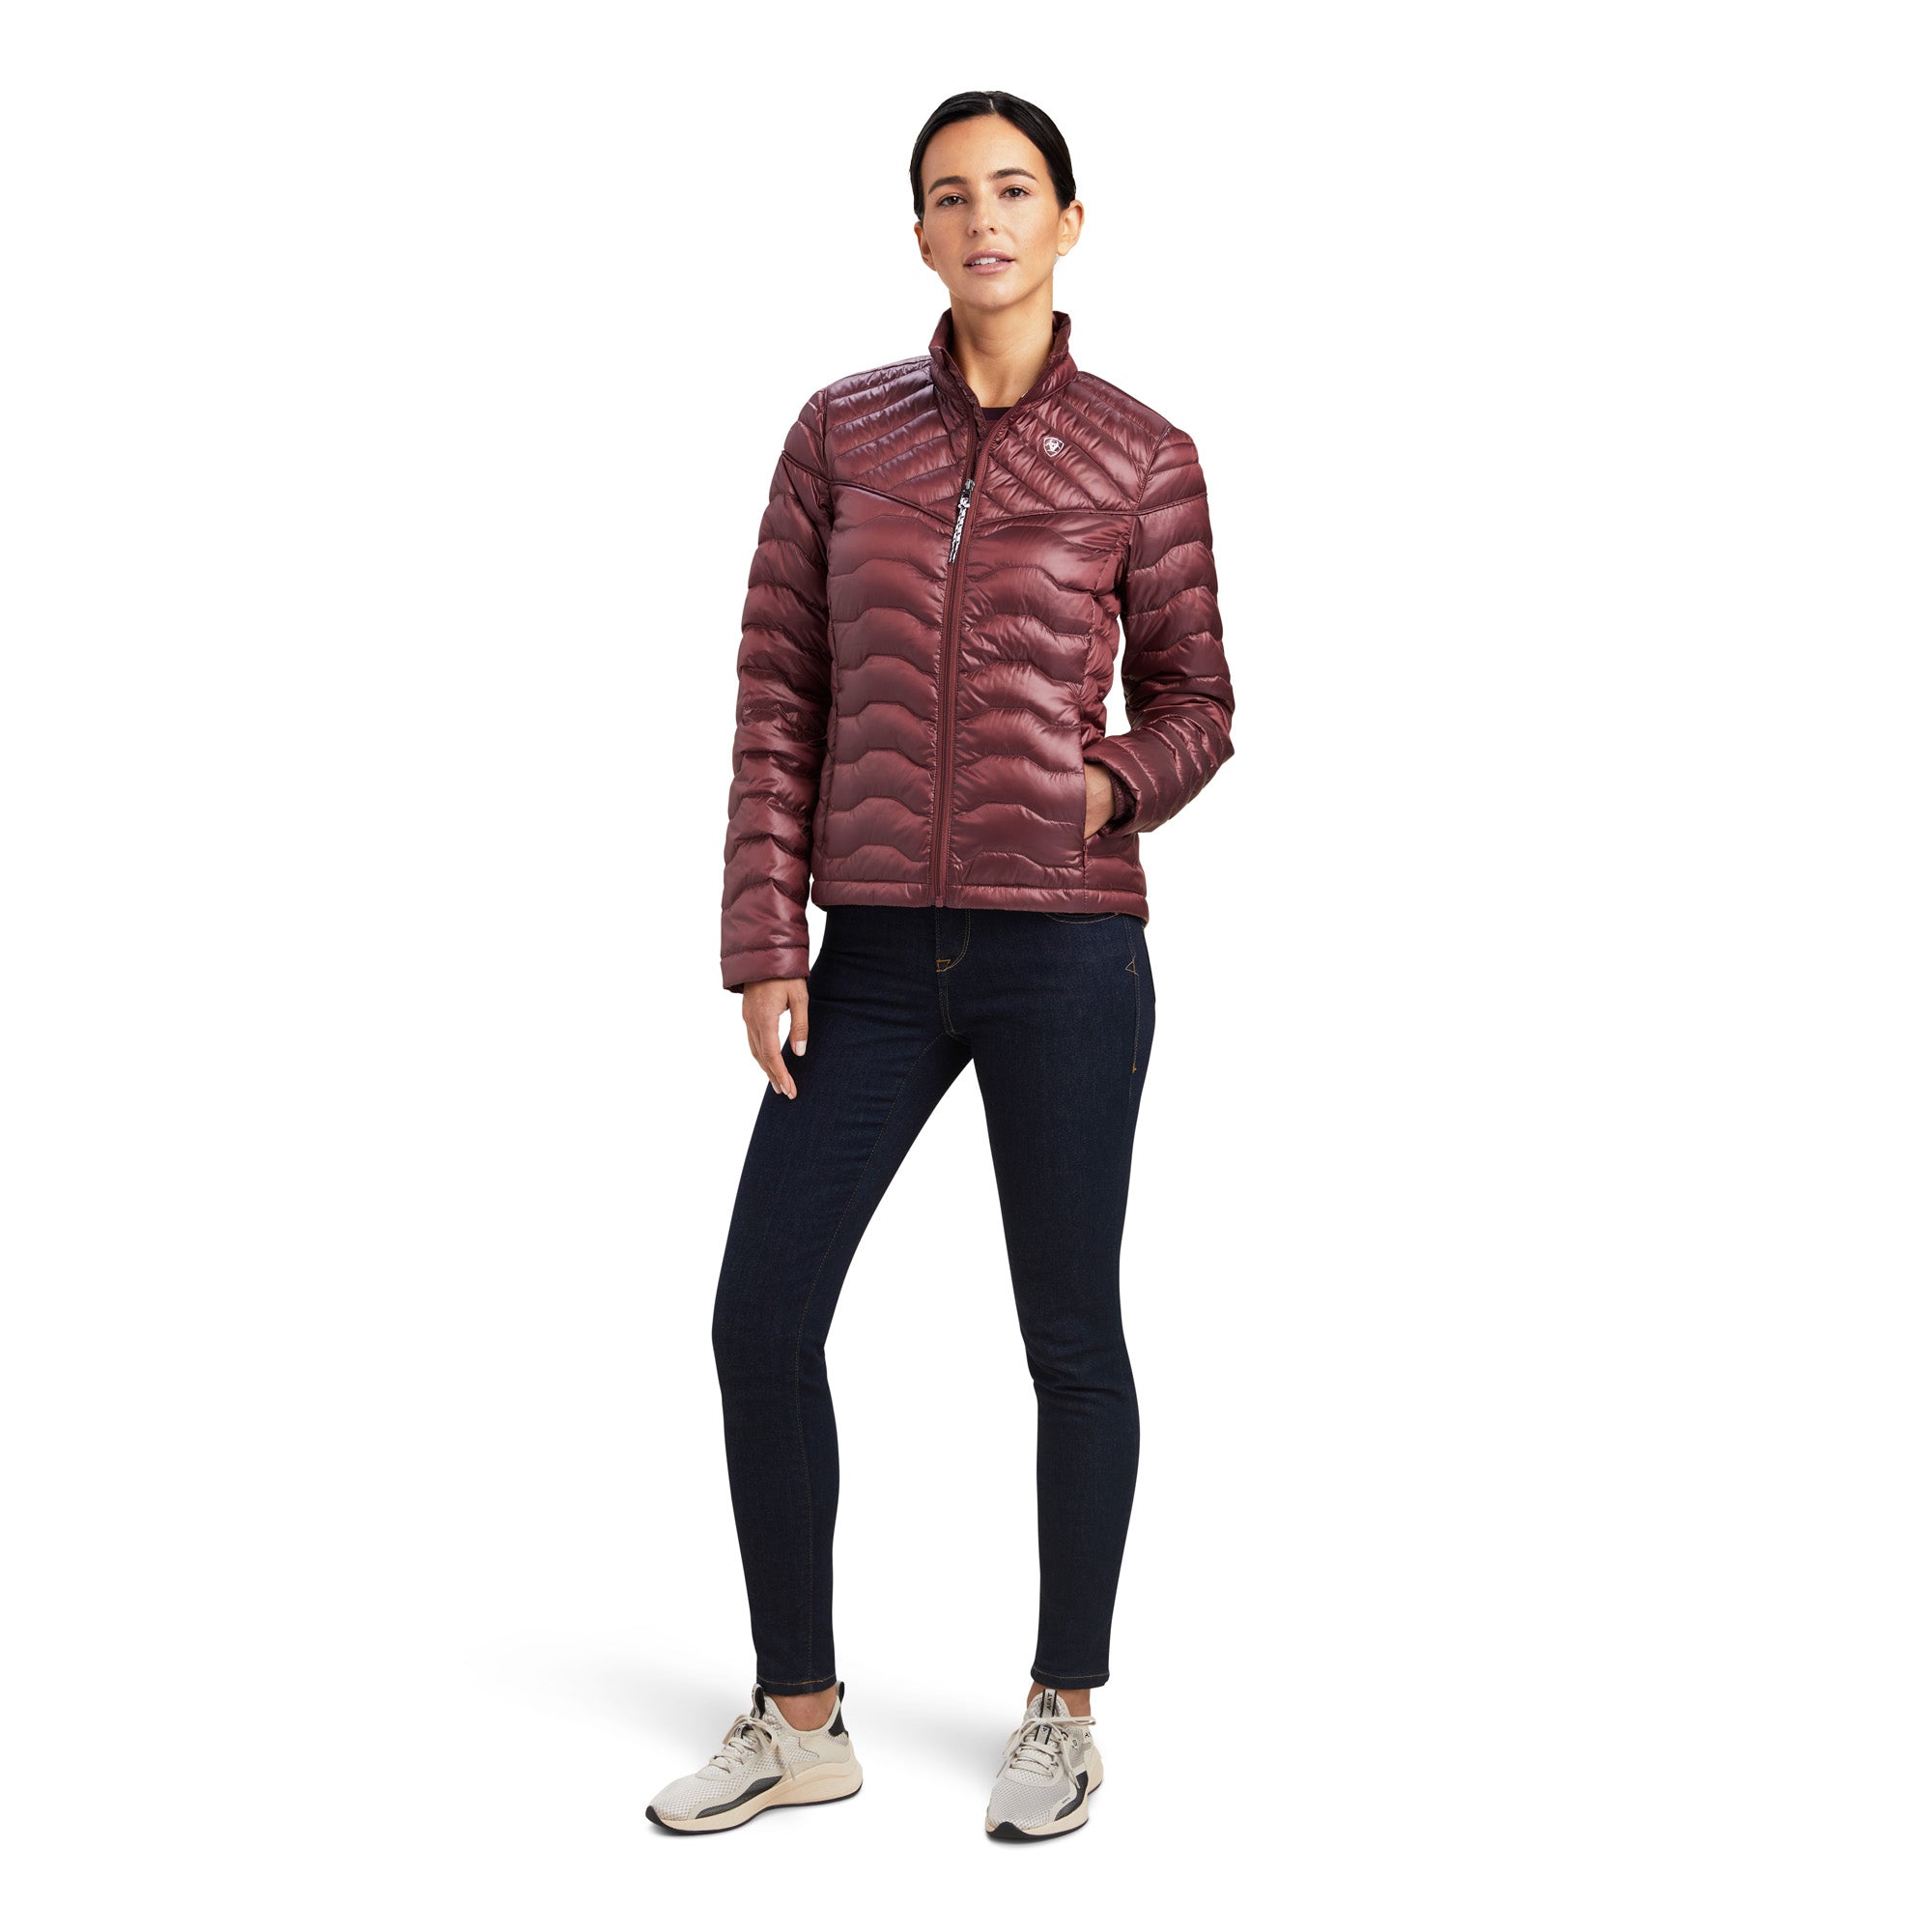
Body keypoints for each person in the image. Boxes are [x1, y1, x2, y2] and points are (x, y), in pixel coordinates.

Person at [647, 89, 1236, 1840]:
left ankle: (1065, 1706)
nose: (984, 220)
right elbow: (779, 692)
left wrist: (1102, 786)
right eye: (950, 196)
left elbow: (1201, 702)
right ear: (917, 233)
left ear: (1069, 221)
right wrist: (767, 936)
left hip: (1070, 953)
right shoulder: (842, 434)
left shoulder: (1142, 453)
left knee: (1069, 1335)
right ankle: (801, 1719)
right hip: (876, 953)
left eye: (1015, 190)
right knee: (760, 1316)